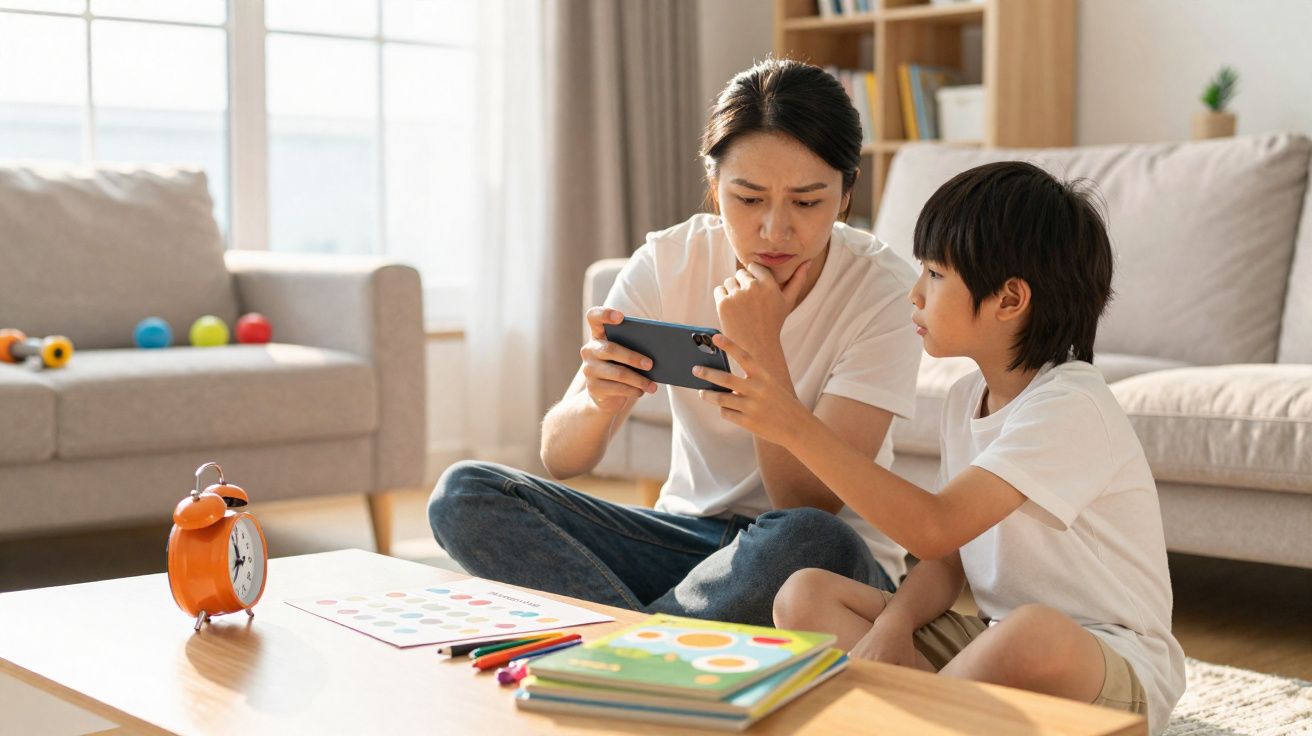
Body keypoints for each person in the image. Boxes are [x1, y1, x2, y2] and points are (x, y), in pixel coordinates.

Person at [427, 58, 923, 626]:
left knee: (811, 537)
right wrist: (596, 402)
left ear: (845, 194)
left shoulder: (885, 291)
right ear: (715, 188)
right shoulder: (669, 262)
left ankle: (620, 644)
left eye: (807, 202)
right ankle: (646, 644)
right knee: (463, 493)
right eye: (748, 198)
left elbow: (804, 502)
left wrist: (759, 344)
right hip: (687, 541)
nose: (774, 230)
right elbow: (561, 459)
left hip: (821, 564)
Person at [696, 161, 1185, 732]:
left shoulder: (1070, 405)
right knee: (804, 595)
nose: (915, 292)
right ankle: (933, 716)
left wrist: (793, 426)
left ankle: (903, 720)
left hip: (1107, 668)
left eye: (933, 274)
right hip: (994, 642)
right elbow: (945, 558)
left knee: (1034, 632)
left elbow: (935, 525)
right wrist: (893, 625)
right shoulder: (966, 397)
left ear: (1009, 300)